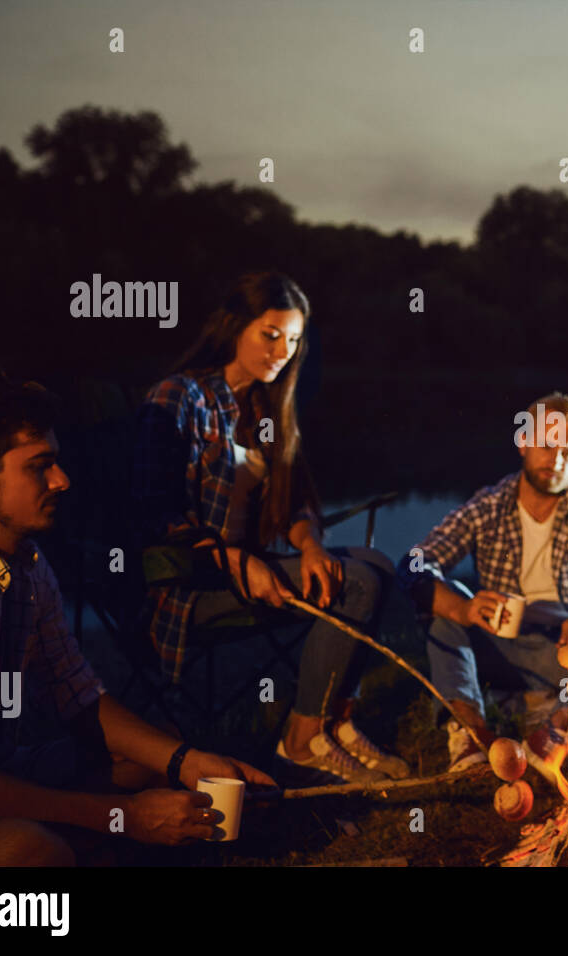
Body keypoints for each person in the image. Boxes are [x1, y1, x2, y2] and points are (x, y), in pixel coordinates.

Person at [0, 378, 277, 865]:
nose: (62, 480)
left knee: (150, 770)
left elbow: (78, 694)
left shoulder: (25, 561)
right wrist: (124, 817)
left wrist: (187, 761)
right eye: (40, 467)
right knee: (27, 850)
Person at [133, 272, 407, 784]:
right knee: (359, 584)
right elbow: (158, 514)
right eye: (270, 333)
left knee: (378, 564)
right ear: (235, 326)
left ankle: (335, 723)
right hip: (188, 585)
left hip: (246, 570)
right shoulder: (181, 396)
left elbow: (295, 503)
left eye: (295, 339)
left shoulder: (263, 405)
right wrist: (236, 560)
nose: (283, 350)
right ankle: (301, 743)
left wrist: (309, 547)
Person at [399, 392, 568, 771]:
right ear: (524, 441)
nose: (555, 460)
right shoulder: (488, 505)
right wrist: (464, 607)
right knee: (446, 604)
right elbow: (413, 565)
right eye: (546, 444)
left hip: (565, 651)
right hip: (498, 647)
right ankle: (472, 738)